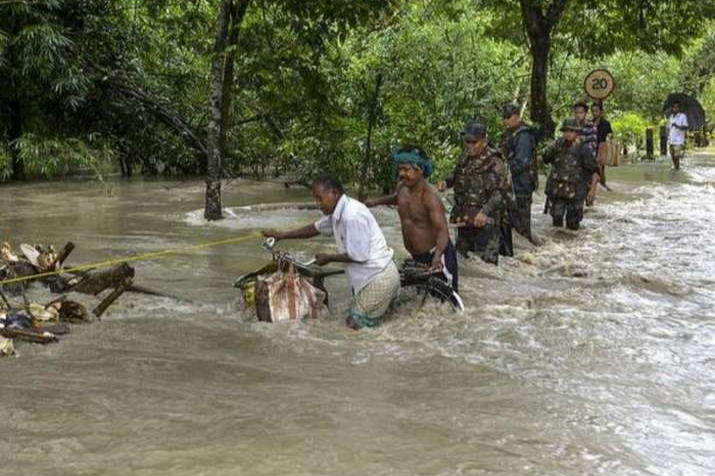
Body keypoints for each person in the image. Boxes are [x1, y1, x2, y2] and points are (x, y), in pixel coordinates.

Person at [263, 174, 400, 329]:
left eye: (319, 198)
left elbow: (359, 255)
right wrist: (281, 235)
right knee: (379, 325)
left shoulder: (351, 215)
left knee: (353, 325)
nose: (317, 204)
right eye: (315, 199)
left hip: (379, 278)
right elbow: (314, 228)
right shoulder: (337, 213)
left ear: (334, 193)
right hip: (375, 275)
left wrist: (329, 258)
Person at [364, 146, 458, 292]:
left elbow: (442, 232)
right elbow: (397, 199)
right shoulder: (402, 187)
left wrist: (438, 255)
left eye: (406, 170)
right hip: (417, 256)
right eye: (400, 169)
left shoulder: (430, 197)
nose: (401, 173)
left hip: (436, 256)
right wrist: (375, 202)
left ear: (420, 170)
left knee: (444, 300)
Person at [438, 122, 511, 265]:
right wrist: (446, 182)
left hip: (486, 223)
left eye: (474, 142)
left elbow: (500, 193)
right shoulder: (465, 156)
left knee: (485, 268)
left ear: (484, 141)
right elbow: (456, 175)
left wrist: (485, 212)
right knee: (462, 263)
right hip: (464, 219)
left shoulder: (495, 161)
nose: (470, 145)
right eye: (467, 141)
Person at [543, 118, 599, 230]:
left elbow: (594, 172)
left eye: (571, 131)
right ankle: (558, 246)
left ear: (577, 132)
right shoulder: (558, 144)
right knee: (556, 222)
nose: (568, 134)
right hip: (558, 189)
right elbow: (545, 158)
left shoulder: (584, 148)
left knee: (573, 224)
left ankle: (573, 246)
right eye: (566, 131)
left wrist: (592, 191)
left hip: (576, 191)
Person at [500, 102, 538, 242]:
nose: (505, 120)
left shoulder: (523, 135)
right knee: (511, 224)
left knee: (521, 227)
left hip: (521, 186)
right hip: (511, 186)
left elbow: (521, 162)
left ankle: (528, 255)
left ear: (516, 117)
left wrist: (503, 171)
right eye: (504, 117)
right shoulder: (509, 134)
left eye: (508, 117)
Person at [573, 100, 600, 206]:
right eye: (576, 112)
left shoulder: (590, 127)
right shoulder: (571, 126)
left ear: (585, 113)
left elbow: (591, 148)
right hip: (573, 162)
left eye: (580, 112)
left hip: (586, 162)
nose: (578, 115)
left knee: (588, 199)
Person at [591, 101, 613, 188]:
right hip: (592, 147)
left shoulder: (606, 123)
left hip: (602, 147)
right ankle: (595, 185)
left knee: (601, 168)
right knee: (593, 168)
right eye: (593, 111)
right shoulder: (590, 123)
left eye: (596, 110)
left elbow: (610, 135)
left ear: (601, 111)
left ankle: (603, 184)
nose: (594, 113)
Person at [667, 101, 688, 170]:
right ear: (672, 108)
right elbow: (669, 127)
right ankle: (676, 166)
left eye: (677, 107)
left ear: (679, 108)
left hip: (679, 139)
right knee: (672, 154)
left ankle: (677, 168)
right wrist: (668, 136)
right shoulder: (671, 117)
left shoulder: (682, 116)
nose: (675, 108)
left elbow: (685, 127)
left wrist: (677, 126)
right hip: (671, 138)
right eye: (674, 107)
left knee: (676, 155)